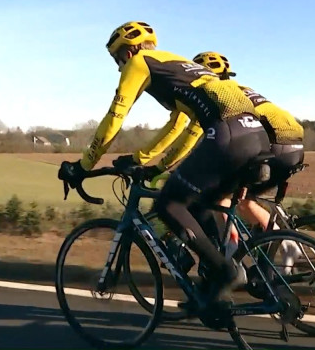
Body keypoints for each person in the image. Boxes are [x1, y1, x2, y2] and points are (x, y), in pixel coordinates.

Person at [57, 21, 271, 310]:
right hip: (254, 132)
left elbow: (114, 118)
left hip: (228, 132)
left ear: (129, 50)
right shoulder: (178, 64)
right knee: (199, 202)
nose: (119, 67)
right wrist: (141, 160)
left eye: (117, 59)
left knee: (169, 205)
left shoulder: (140, 63)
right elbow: (178, 128)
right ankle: (218, 283)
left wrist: (83, 165)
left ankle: (225, 273)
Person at [191, 51, 305, 234]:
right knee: (244, 198)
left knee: (218, 196)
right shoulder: (242, 89)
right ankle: (281, 241)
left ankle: (235, 251)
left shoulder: (217, 94)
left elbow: (198, 135)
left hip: (274, 145)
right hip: (294, 146)